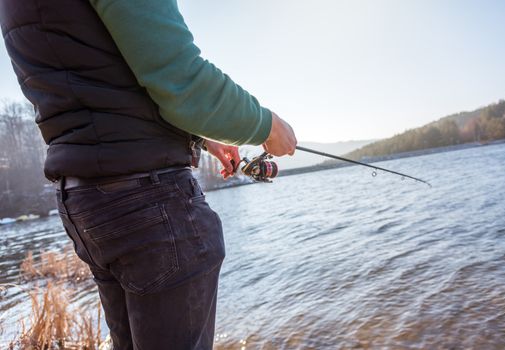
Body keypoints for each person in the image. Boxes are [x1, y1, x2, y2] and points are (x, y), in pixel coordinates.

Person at [0, 0, 296, 349]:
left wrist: (200, 137)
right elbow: (181, 78)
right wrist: (266, 125)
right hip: (151, 204)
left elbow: (94, 79)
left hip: (86, 202)